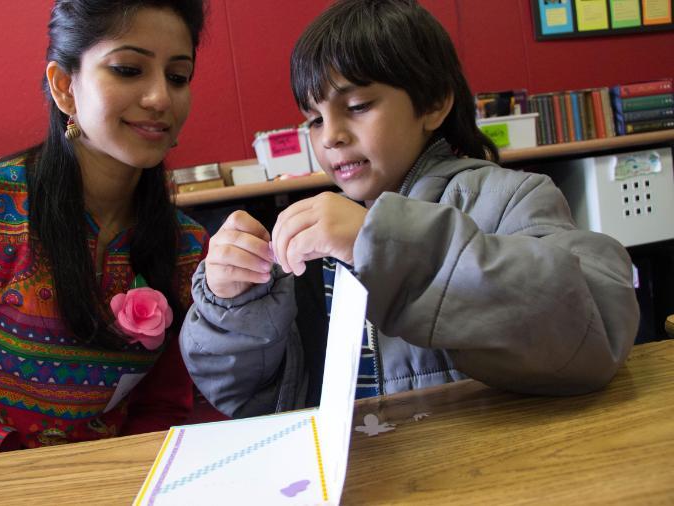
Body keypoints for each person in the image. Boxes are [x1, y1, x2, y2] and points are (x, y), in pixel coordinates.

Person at [180, 0, 639, 418]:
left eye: (357, 105)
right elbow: (243, 395)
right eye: (314, 119)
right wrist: (233, 302)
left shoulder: (508, 199)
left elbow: (593, 336)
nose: (329, 136)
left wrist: (380, 243)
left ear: (434, 103)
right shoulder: (316, 236)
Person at [0, 0, 209, 462]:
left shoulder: (188, 249)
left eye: (178, 76)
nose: (160, 98)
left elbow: (165, 409)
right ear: (64, 87)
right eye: (129, 69)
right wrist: (30, 473)